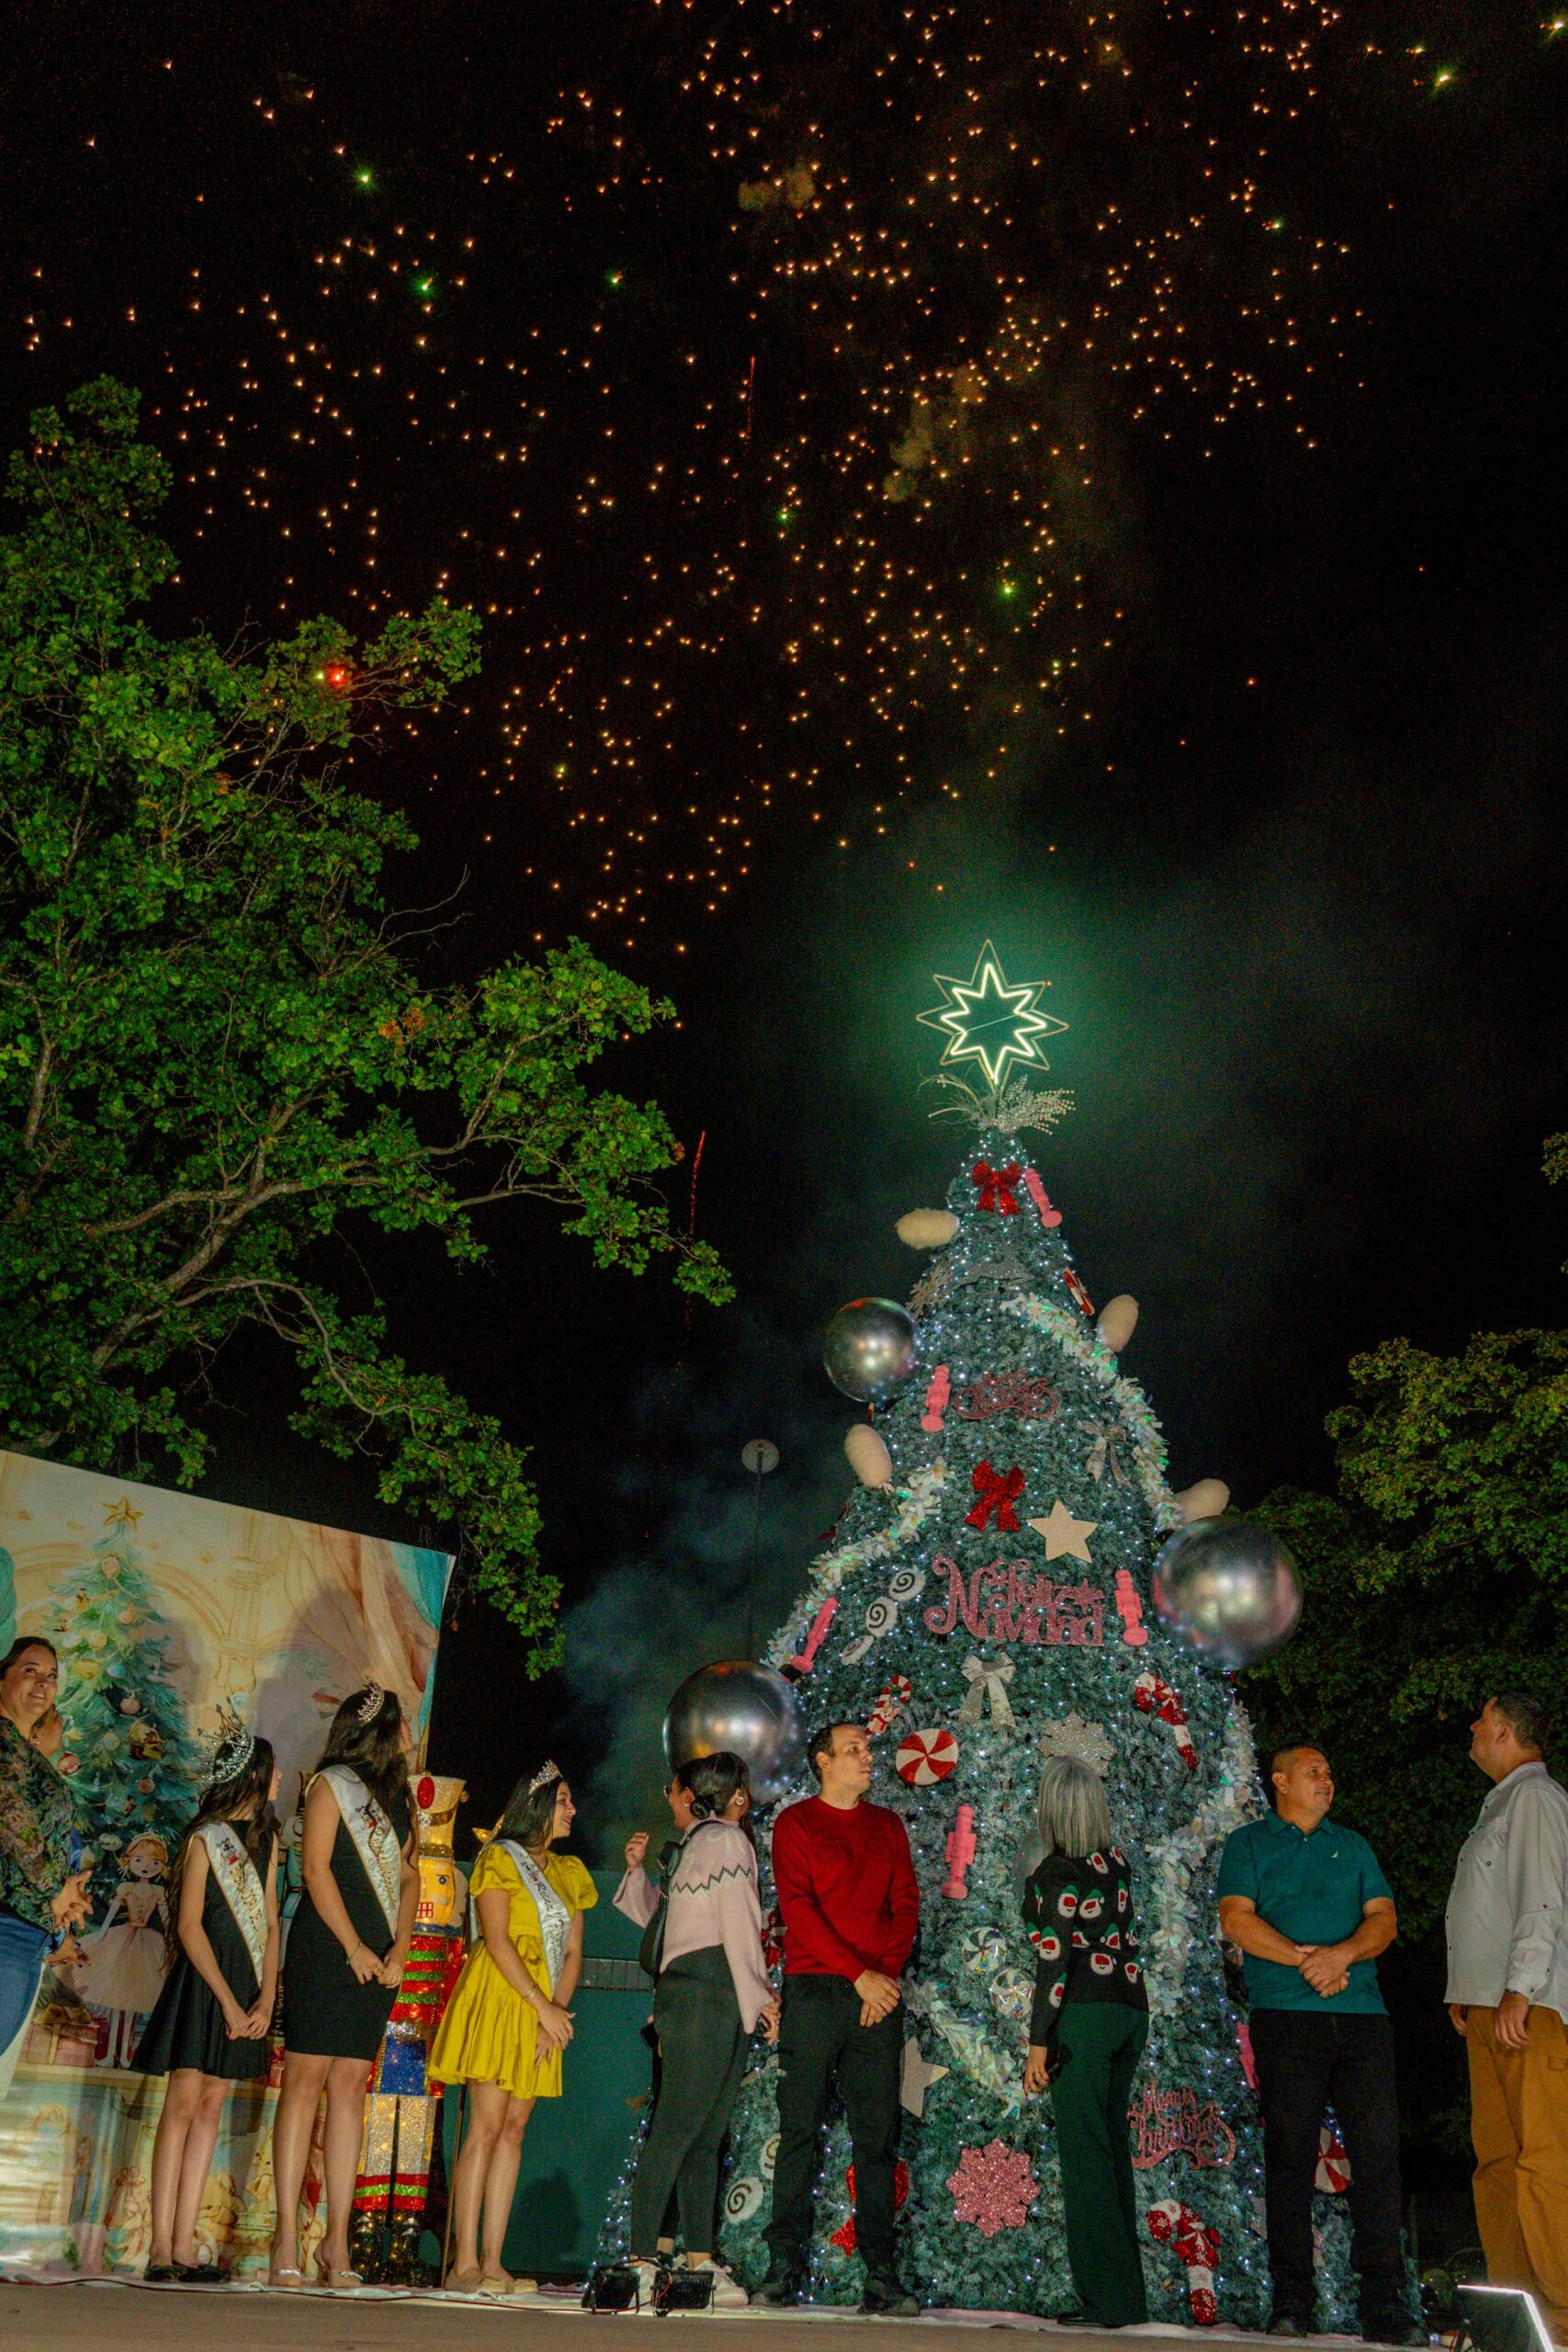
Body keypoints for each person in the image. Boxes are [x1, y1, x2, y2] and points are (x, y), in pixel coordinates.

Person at [1217, 1742, 1420, 2345]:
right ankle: (1291, 2300)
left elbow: (1383, 1920)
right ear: (1280, 1781)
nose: (1326, 1780)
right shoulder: (1248, 1843)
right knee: (1289, 2157)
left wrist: (1342, 1956)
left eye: (1329, 1772)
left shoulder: (1352, 1845)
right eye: (1313, 1772)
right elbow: (1236, 1919)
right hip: (1286, 2017)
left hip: (1362, 2018)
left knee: (1378, 2158)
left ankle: (1385, 2305)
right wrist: (1307, 1962)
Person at [754, 1720, 919, 2317]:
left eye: (867, 1748)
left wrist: (884, 1977)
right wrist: (858, 1975)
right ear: (822, 1761)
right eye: (854, 1749)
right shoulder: (796, 1823)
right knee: (799, 2130)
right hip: (815, 1993)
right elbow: (797, 1909)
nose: (867, 1756)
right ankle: (783, 2268)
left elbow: (906, 1903)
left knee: (877, 2139)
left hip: (878, 1998)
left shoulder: (887, 1826)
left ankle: (881, 2275)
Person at [430, 1757, 596, 2295]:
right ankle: (464, 2263)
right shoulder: (500, 1858)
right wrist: (539, 2004)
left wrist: (554, 2015)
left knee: (515, 2129)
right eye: (564, 1801)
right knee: (485, 2125)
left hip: (544, 2009)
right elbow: (496, 1939)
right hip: (503, 1996)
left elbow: (573, 1953)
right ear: (539, 1806)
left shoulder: (570, 1873)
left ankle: (495, 2261)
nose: (573, 1810)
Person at [271, 1685, 417, 2290]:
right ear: (379, 1730)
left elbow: (408, 1876)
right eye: (401, 1723)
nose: (409, 1733)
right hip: (327, 1947)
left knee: (352, 2086)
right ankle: (285, 2236)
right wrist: (353, 1946)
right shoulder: (330, 1784)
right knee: (305, 2080)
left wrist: (400, 1946)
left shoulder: (400, 1796)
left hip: (379, 1957)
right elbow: (314, 1869)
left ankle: (337, 2241)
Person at [621, 1754, 780, 2311]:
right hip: (710, 1991)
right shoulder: (728, 1841)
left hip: (699, 1991)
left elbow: (674, 1925)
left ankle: (697, 2260)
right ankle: (643, 2261)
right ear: (734, 1794)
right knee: (679, 2131)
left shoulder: (697, 1842)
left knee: (700, 2135)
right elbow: (738, 1923)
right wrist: (762, 1997)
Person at [137, 1718, 282, 2282]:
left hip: (246, 1988)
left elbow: (270, 1924)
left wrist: (265, 1998)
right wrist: (226, 2000)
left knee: (211, 2107)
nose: (279, 1781)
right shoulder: (205, 1837)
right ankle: (159, 2245)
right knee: (182, 2104)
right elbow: (190, 1925)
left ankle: (184, 2244)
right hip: (205, 1986)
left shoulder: (267, 1842)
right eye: (273, 1772)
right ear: (254, 1776)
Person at [1445, 1691, 1568, 2345]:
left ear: (1503, 1732)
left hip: (1529, 2007)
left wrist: (1520, 1987)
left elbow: (1541, 1900)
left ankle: (1566, 2316)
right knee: (1496, 2164)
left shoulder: (1535, 1798)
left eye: (1480, 1719)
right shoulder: (1500, 1803)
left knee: (1544, 2161)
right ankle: (1520, 2322)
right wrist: (1466, 1991)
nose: (1471, 1727)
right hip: (1489, 2007)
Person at [1021, 1755, 1149, 2328]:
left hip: (1085, 2016)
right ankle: (1126, 2296)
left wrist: (1038, 2043)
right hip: (1129, 2007)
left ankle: (1105, 2299)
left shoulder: (1056, 1874)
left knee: (1086, 2155)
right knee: (1112, 2146)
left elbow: (1054, 1962)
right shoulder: (1116, 1863)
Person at [0, 1637, 92, 2100]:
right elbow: (10, 1815)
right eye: (31, 1670)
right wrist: (55, 1889)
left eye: (51, 1675)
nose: (43, 1683)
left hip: (25, 1930)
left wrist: (66, 1896)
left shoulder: (22, 1749)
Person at [617, 1771, 700, 2263]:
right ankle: (659, 2249)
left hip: (712, 2007)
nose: (667, 1799)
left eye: (671, 1790)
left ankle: (691, 2249)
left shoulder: (716, 1848)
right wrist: (636, 1871)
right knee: (670, 2126)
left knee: (697, 2135)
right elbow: (662, 1928)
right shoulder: (680, 1852)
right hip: (679, 2008)